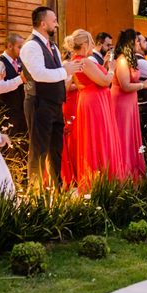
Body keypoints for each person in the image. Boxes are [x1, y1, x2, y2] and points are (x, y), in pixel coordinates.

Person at [20, 6, 82, 186]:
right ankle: (36, 193)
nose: (56, 24)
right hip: (38, 103)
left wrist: (71, 72)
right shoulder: (31, 46)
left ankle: (57, 189)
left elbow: (57, 74)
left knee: (56, 149)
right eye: (53, 20)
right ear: (42, 23)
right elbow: (39, 74)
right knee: (39, 150)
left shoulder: (53, 46)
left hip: (55, 104)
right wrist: (64, 70)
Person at [70, 29, 126, 188]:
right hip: (95, 101)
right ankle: (103, 178)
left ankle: (98, 176)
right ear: (85, 44)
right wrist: (112, 68)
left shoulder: (77, 60)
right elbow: (104, 81)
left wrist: (104, 65)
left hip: (90, 99)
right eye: (91, 43)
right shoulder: (84, 61)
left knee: (95, 137)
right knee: (100, 136)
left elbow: (88, 80)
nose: (92, 46)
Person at [112, 29, 147, 178]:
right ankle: (123, 172)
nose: (138, 43)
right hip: (121, 101)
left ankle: (133, 171)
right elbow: (125, 85)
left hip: (131, 101)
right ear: (130, 42)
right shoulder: (122, 60)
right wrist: (145, 85)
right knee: (123, 135)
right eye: (136, 41)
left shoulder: (130, 59)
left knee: (131, 135)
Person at [0, 33, 27, 140]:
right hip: (7, 112)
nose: (22, 50)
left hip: (22, 111)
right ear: (9, 46)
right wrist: (20, 79)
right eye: (19, 47)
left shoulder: (20, 61)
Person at [60, 36, 80, 187]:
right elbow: (66, 87)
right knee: (71, 134)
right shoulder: (67, 65)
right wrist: (80, 86)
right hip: (70, 101)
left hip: (77, 100)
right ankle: (72, 169)